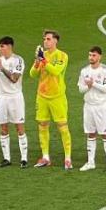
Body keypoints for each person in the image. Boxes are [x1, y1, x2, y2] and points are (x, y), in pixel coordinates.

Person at [30, 30, 72, 169]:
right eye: (44, 39)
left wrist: (43, 60)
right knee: (42, 125)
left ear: (55, 41)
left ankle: (67, 158)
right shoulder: (43, 55)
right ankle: (45, 157)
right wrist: (37, 63)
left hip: (57, 97)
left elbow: (55, 71)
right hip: (42, 96)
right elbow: (32, 74)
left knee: (62, 126)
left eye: (48, 39)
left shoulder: (62, 56)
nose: (45, 41)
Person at [0, 36, 29, 168]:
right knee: (3, 128)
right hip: (1, 98)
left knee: (19, 127)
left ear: (10, 46)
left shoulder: (18, 60)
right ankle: (6, 158)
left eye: (2, 46)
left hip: (15, 97)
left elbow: (14, 79)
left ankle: (24, 159)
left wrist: (1, 67)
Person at [78, 46, 106, 173]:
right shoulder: (84, 71)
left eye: (94, 55)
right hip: (88, 106)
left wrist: (92, 84)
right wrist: (88, 86)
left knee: (105, 134)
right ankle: (90, 162)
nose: (91, 58)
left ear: (100, 56)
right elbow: (81, 89)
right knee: (90, 134)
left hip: (101, 107)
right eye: (90, 55)